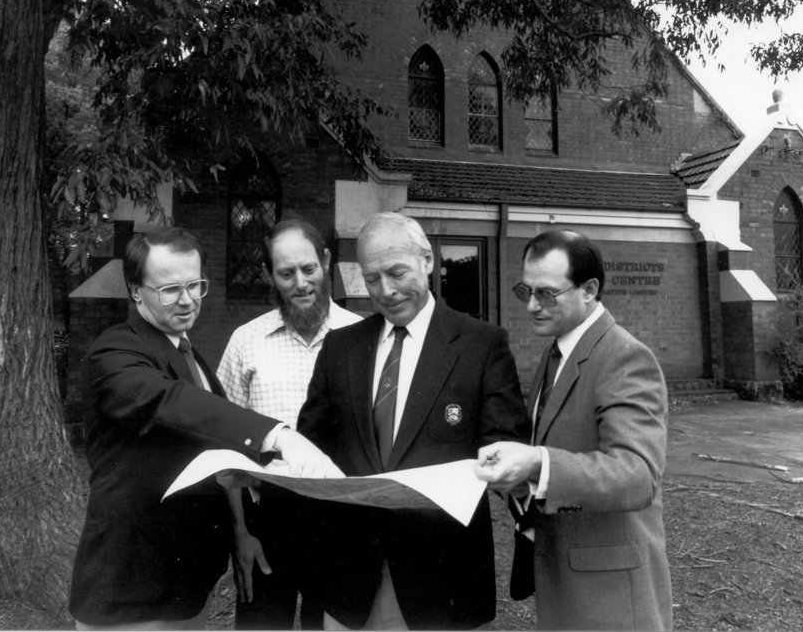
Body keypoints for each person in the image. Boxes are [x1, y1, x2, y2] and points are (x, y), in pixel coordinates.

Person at [69, 226, 340, 630]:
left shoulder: (188, 352)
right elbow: (171, 401)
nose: (187, 300)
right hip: (131, 589)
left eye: (195, 285)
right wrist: (280, 435)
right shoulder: (115, 351)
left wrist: (239, 534)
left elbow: (214, 453)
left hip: (186, 587)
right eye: (170, 289)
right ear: (135, 291)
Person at [297, 212, 529, 630]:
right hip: (352, 576)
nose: (385, 291)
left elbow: (505, 446)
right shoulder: (340, 347)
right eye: (371, 279)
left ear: (427, 260)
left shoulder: (481, 345)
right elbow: (312, 445)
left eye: (397, 272)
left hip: (442, 578)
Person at [474, 229, 672, 631]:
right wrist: (522, 480)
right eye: (526, 291)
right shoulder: (558, 350)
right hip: (567, 579)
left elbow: (637, 475)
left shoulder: (624, 356)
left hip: (612, 595)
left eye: (546, 293)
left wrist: (538, 464)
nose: (532, 305)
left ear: (589, 289)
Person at [216, 219, 361, 630]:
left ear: (327, 262)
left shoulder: (362, 338)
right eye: (286, 273)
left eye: (309, 269)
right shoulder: (246, 341)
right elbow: (224, 446)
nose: (300, 283)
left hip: (340, 521)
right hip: (266, 523)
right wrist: (240, 533)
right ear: (269, 276)